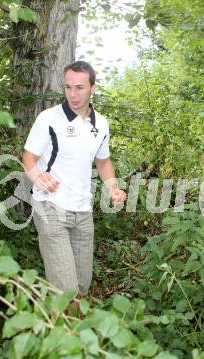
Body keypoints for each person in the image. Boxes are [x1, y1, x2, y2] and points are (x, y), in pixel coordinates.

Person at [22, 61, 126, 296]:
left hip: (83, 210)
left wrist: (113, 188)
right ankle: (59, 329)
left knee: (82, 287)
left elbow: (103, 161)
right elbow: (28, 159)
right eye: (68, 87)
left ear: (92, 88)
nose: (73, 94)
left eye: (79, 87)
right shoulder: (49, 118)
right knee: (65, 293)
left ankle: (66, 328)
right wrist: (38, 178)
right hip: (51, 207)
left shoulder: (101, 124)